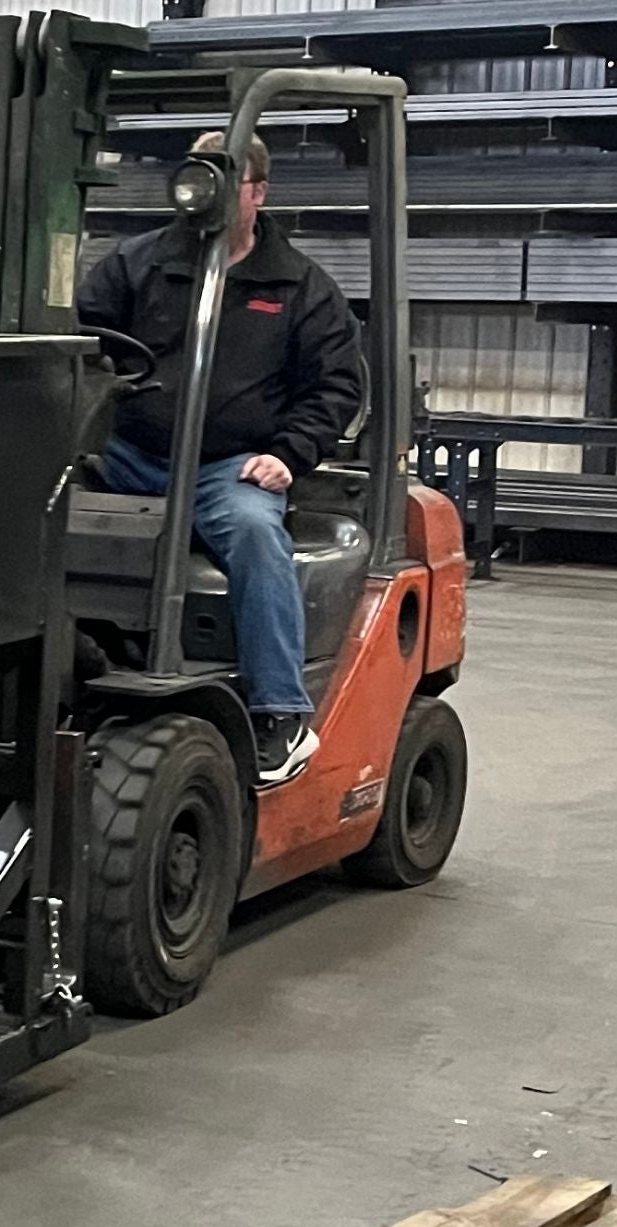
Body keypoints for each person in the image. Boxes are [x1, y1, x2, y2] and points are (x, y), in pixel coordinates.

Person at [78, 128, 363, 789]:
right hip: (134, 455)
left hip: (227, 467)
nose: (201, 192)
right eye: (196, 173)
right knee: (41, 498)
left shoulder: (300, 288)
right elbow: (83, 339)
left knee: (258, 533)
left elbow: (338, 385)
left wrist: (289, 453)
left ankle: (281, 714)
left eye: (223, 177)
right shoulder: (139, 264)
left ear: (257, 193)